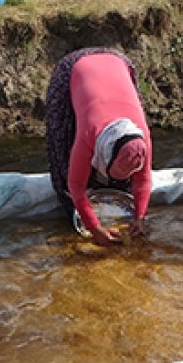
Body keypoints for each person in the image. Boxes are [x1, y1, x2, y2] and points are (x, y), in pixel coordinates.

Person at [44, 47, 153, 246]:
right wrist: (94, 228)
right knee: (65, 151)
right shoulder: (89, 133)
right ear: (105, 153)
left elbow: (143, 182)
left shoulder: (141, 138)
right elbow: (75, 185)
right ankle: (77, 209)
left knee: (124, 182)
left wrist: (139, 217)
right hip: (75, 69)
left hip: (117, 64)